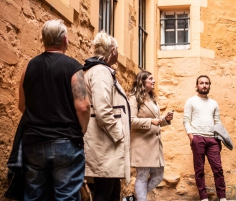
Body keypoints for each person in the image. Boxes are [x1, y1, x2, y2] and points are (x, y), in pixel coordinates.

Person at [18, 19, 90, 200]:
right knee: (66, 196)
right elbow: (83, 106)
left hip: (34, 142)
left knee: (34, 196)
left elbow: (22, 105)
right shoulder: (73, 67)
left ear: (43, 40)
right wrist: (80, 130)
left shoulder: (29, 66)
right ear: (65, 39)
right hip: (66, 142)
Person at [83, 31, 131, 201]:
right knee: (104, 194)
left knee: (111, 192)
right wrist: (120, 134)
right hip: (105, 144)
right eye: (117, 49)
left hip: (106, 143)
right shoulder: (101, 72)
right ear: (112, 51)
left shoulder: (99, 71)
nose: (118, 53)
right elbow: (103, 110)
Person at [128, 70, 173, 201]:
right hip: (142, 144)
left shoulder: (152, 99)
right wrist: (150, 121)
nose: (154, 81)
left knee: (158, 177)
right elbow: (130, 120)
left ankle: (134, 198)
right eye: (151, 79)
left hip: (155, 144)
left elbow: (156, 121)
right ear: (143, 82)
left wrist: (165, 120)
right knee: (142, 176)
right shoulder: (133, 98)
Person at [183, 75, 227, 201]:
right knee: (199, 170)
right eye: (201, 83)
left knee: (218, 169)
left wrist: (219, 138)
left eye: (206, 83)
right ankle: (203, 198)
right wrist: (191, 136)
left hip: (213, 139)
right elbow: (186, 120)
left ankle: (222, 197)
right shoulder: (191, 101)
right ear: (196, 86)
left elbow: (217, 121)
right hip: (197, 138)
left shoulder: (214, 103)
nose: (204, 85)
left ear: (209, 85)